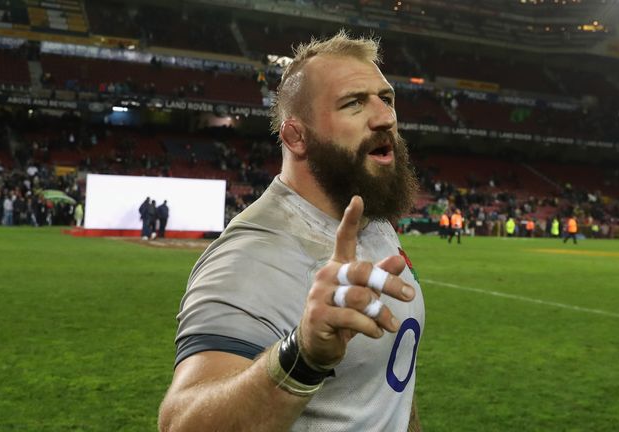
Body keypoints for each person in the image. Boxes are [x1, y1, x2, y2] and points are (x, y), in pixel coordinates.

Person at [158, 31, 424, 432]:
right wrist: (304, 356)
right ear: (295, 136)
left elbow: (387, 389)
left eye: (385, 99)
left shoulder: (368, 217)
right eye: (353, 103)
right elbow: (181, 423)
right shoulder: (252, 255)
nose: (385, 117)